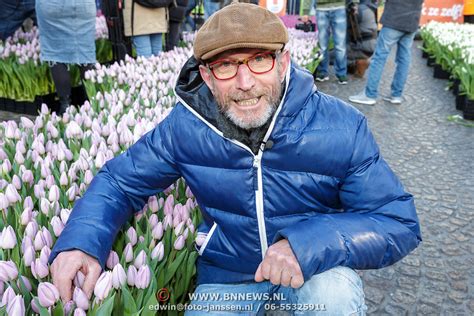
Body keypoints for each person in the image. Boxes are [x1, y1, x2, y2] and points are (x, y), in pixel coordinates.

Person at [50, 2, 421, 314]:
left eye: (259, 59)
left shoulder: (341, 127)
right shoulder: (187, 127)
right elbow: (120, 181)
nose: (245, 82)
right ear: (207, 77)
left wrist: (305, 245)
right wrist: (81, 242)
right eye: (227, 66)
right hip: (229, 276)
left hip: (314, 269)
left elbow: (397, 221)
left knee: (334, 296)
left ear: (283, 62)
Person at [349, 0, 424, 105]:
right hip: (412, 21)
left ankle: (369, 94)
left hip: (394, 20)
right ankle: (396, 95)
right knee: (404, 59)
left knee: (379, 58)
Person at [35, 0, 96, 115]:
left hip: (52, 6)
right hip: (83, 5)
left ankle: (65, 106)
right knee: (85, 53)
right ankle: (93, 104)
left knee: (56, 54)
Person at [313, 0, 359, 84]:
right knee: (322, 44)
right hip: (321, 8)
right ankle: (323, 71)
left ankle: (341, 73)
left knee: (340, 44)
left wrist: (355, 3)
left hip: (339, 7)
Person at [346, 2, 377, 77]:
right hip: (371, 43)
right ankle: (356, 63)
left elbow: (347, 27)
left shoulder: (359, 10)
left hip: (363, 46)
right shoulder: (371, 8)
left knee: (333, 54)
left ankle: (358, 62)